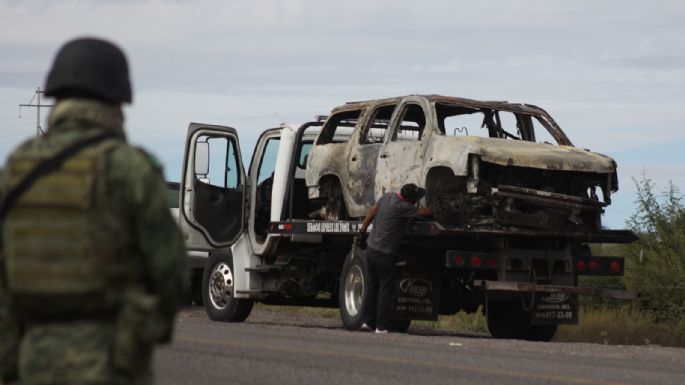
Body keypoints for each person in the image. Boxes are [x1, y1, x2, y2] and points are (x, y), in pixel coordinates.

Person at [0, 37, 188, 385]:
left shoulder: (16, 168)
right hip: (111, 361)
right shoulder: (129, 168)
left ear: (56, 96)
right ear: (118, 99)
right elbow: (172, 272)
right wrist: (143, 329)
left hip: (33, 362)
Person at [359, 183, 432, 333]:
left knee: (372, 287)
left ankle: (367, 322)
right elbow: (424, 212)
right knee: (386, 289)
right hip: (385, 254)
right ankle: (381, 326)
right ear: (410, 200)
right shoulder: (404, 207)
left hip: (371, 248)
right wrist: (437, 208)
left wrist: (363, 229)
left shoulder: (387, 197)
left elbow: (373, 210)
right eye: (416, 199)